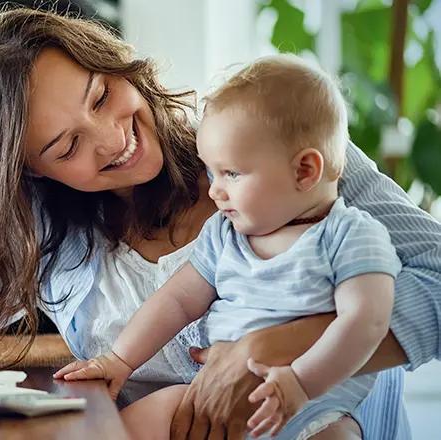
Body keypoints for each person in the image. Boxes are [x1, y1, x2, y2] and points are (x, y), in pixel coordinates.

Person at [0, 7, 441, 439]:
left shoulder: (277, 148)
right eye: (64, 147)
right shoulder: (54, 228)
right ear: (29, 174)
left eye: (101, 96)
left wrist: (274, 348)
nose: (112, 139)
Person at [54, 54, 401, 440]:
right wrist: (119, 359)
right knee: (136, 423)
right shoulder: (225, 234)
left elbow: (366, 322)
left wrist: (299, 383)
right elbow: (177, 301)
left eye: (231, 174)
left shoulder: (351, 236)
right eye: (211, 171)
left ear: (304, 170)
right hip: (209, 397)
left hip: (313, 408)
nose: (215, 191)